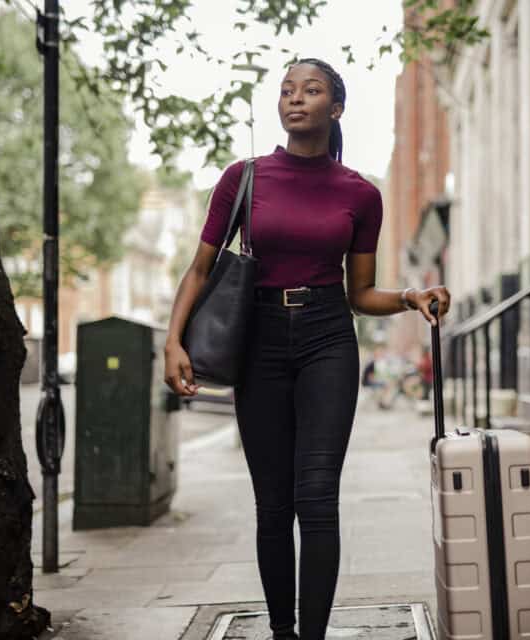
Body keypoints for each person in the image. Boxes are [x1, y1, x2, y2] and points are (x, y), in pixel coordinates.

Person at [163, 59, 451, 640]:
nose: (296, 99)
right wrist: (172, 341)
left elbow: (360, 293)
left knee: (317, 499)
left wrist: (410, 296)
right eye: (287, 90)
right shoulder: (242, 178)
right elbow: (200, 271)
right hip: (259, 340)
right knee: (273, 506)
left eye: (311, 90)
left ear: (335, 108)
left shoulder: (360, 194)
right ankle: (281, 631)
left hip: (327, 338)